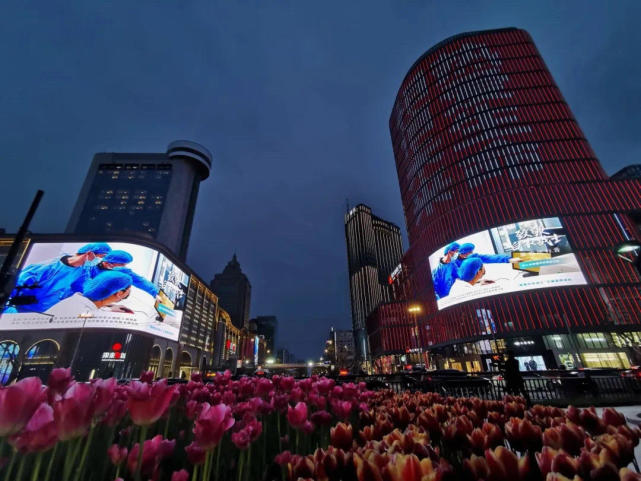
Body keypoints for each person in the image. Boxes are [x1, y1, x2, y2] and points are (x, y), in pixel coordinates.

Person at [9, 243, 112, 312]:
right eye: (101, 257)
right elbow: (14, 287)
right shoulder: (47, 267)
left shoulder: (82, 272)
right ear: (89, 253)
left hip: (43, 313)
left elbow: (87, 291)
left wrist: (107, 305)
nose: (101, 262)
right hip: (19, 311)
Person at [72, 250, 159, 299]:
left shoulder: (122, 271)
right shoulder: (89, 267)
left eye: (124, 265)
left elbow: (140, 281)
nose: (123, 267)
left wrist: (155, 293)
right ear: (107, 263)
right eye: (121, 265)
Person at [45, 270, 134, 316]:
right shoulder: (81, 312)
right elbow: (86, 315)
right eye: (128, 290)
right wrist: (110, 312)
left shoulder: (77, 300)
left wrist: (110, 309)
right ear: (119, 293)